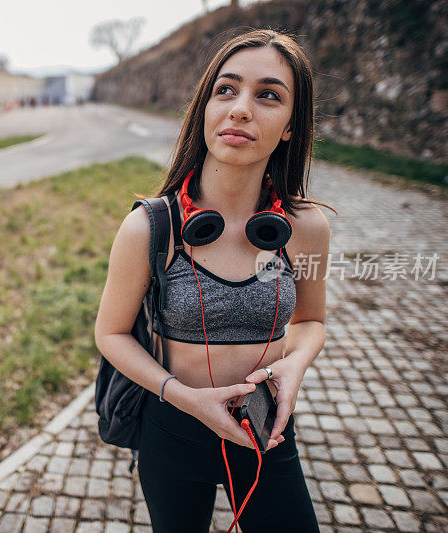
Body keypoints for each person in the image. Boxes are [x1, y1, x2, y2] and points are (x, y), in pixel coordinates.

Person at [94, 29, 336, 532]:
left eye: (268, 95)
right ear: (204, 108)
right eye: (226, 89)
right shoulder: (150, 227)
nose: (242, 108)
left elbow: (311, 320)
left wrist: (294, 366)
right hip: (171, 430)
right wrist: (184, 398)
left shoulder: (306, 227)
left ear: (291, 125)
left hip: (265, 430)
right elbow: (110, 334)